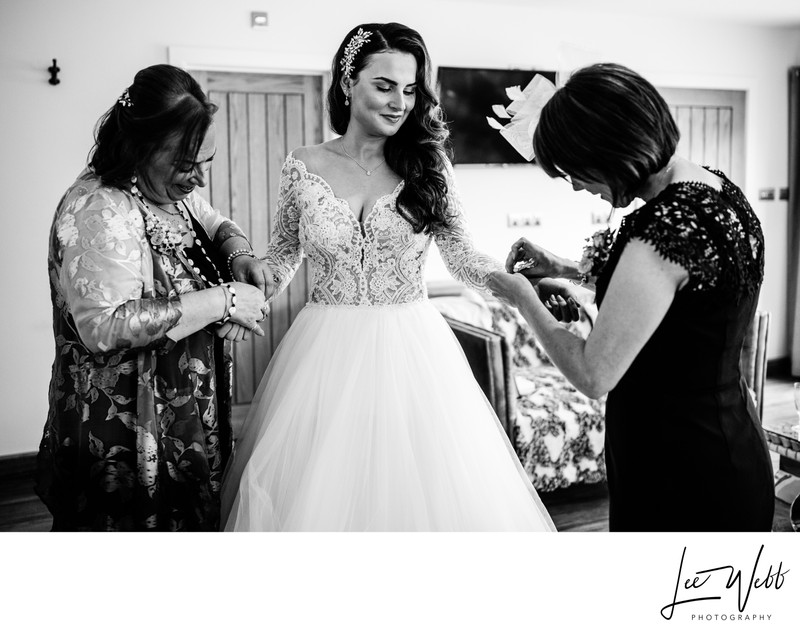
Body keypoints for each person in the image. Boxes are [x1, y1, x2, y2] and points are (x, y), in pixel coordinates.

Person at [220, 23, 555, 531]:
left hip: (412, 350)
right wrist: (252, 283)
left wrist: (507, 283)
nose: (400, 101)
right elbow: (285, 257)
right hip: (322, 354)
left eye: (410, 88)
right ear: (348, 82)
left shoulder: (429, 164)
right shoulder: (302, 166)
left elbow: (461, 253)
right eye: (384, 85)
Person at [488, 63, 775, 531]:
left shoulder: (659, 230)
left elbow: (592, 373)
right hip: (730, 438)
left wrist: (524, 298)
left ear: (606, 150)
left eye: (574, 172)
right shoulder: (718, 192)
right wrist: (564, 267)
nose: (578, 186)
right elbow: (684, 298)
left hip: (678, 468)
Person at [36, 64, 272, 531]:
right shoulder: (100, 207)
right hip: (123, 423)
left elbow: (212, 219)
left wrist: (238, 251)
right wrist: (222, 301)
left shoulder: (165, 190)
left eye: (208, 160)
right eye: (188, 165)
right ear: (141, 149)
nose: (201, 178)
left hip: (178, 410)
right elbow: (103, 327)